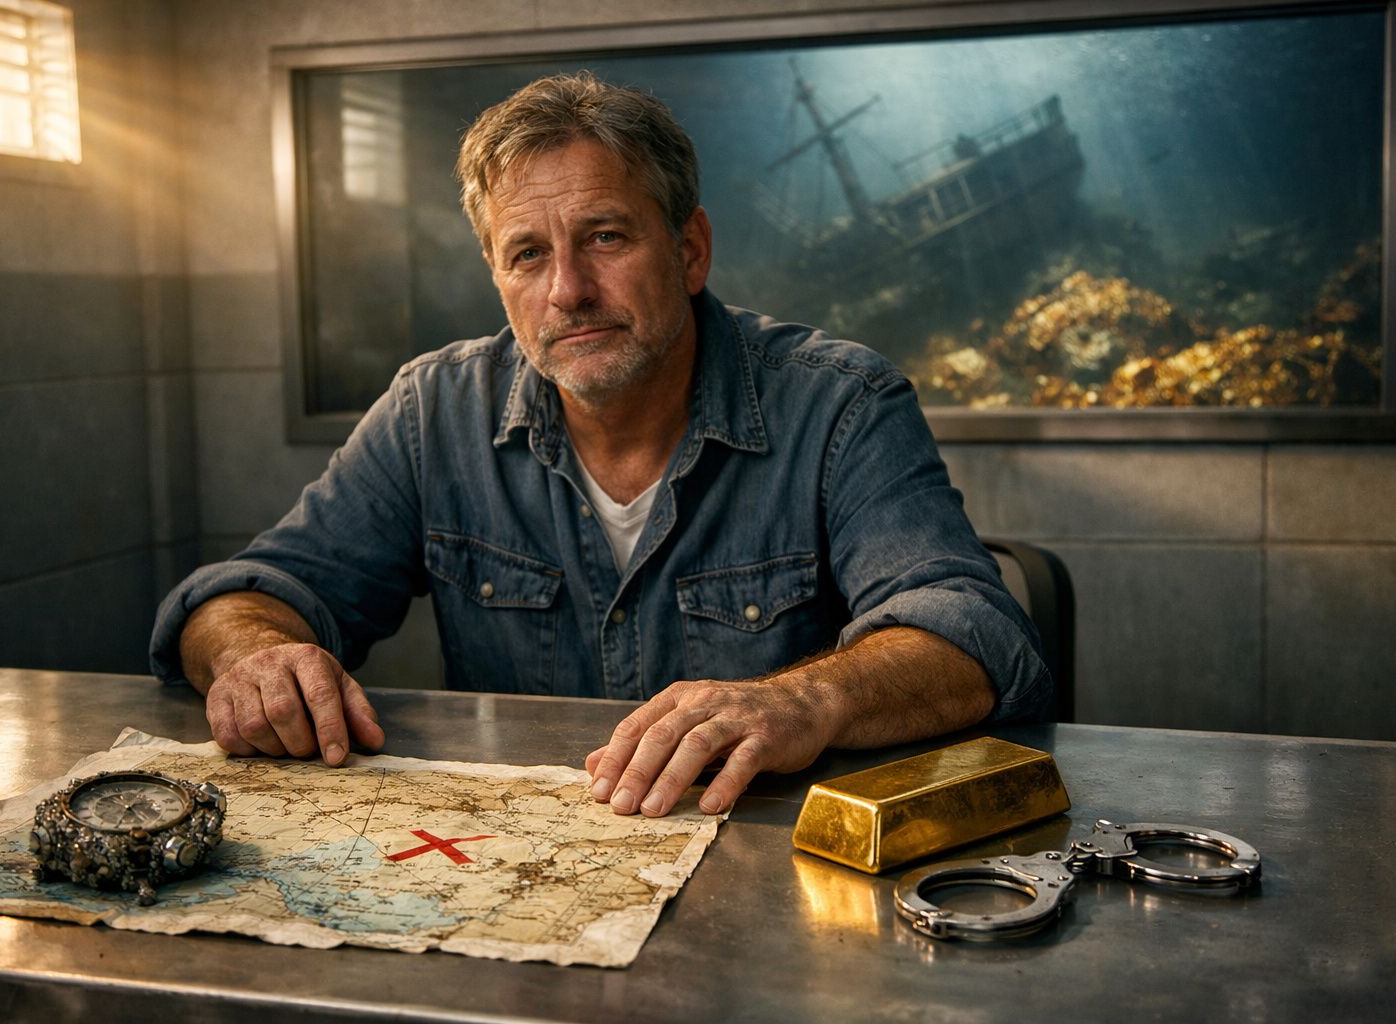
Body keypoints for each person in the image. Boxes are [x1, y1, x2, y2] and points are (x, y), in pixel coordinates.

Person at [150, 72, 1050, 820]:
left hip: (780, 872)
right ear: (498, 278)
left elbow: (970, 635)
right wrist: (252, 654)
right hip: (529, 871)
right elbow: (241, 597)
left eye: (605, 237)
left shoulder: (842, 404)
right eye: (527, 255)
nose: (568, 290)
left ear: (690, 250)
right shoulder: (434, 411)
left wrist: (800, 699)